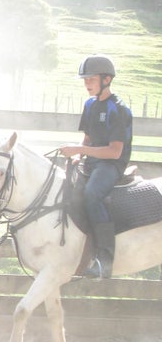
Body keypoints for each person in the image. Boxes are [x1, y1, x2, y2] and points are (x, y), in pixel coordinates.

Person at [60, 54, 133, 279]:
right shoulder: (90, 104)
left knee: (92, 194)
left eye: (91, 79)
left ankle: (105, 259)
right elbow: (88, 138)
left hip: (111, 164)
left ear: (106, 79)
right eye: (85, 80)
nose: (86, 84)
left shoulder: (119, 109)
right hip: (92, 160)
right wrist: (76, 157)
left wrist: (80, 151)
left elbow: (114, 151)